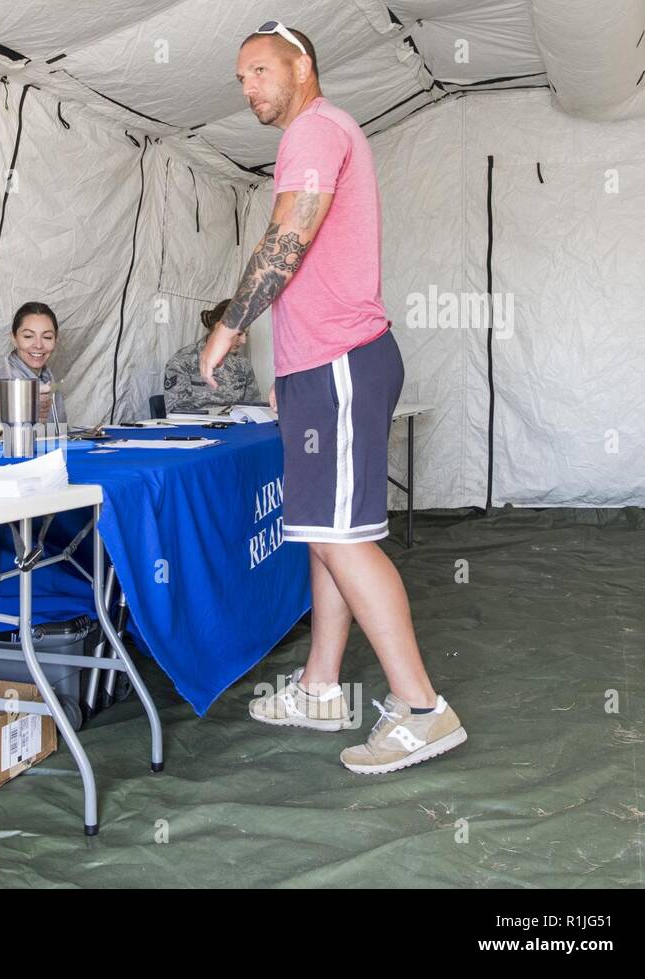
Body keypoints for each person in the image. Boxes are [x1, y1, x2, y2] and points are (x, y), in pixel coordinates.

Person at [200, 24, 466, 773]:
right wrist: (287, 374)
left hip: (341, 364)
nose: (249, 86)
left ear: (302, 66)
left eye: (259, 69)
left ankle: (422, 708)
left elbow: (290, 232)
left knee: (345, 538)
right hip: (321, 368)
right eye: (240, 76)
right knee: (325, 531)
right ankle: (321, 687)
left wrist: (229, 325)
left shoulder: (315, 130)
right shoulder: (318, 133)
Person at [163, 298, 261, 413]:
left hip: (236, 428)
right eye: (239, 334)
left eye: (246, 334)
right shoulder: (182, 361)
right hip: (197, 429)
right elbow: (175, 411)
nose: (243, 341)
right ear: (219, 327)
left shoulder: (242, 363)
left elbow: (253, 406)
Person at [0, 302, 67, 426]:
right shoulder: (3, 385)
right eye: (28, 336)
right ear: (14, 339)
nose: (38, 345)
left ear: (56, 339)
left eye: (47, 337)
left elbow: (61, 435)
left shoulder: (49, 380)